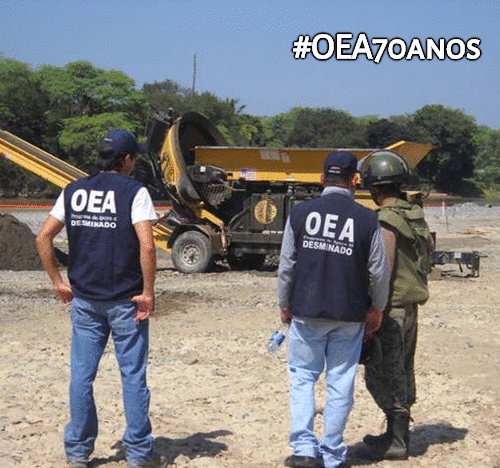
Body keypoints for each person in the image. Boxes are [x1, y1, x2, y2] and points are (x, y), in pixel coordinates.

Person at [36, 129, 161, 468]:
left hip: (85, 300)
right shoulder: (135, 192)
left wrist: (58, 283)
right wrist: (148, 292)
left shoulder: (74, 190)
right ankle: (138, 453)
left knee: (82, 376)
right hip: (126, 300)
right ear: (127, 160)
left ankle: (78, 450)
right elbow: (147, 245)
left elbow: (44, 237)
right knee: (132, 377)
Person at [277, 151, 391, 468]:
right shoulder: (368, 219)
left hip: (306, 311)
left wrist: (284, 304)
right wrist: (377, 308)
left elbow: (286, 266)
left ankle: (304, 450)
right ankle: (332, 453)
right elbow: (378, 272)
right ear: (354, 180)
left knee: (302, 378)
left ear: (321, 178)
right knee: (340, 382)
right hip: (349, 315)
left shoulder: (300, 213)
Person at [359, 150, 433, 461]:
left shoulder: (386, 220)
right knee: (403, 369)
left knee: (382, 372)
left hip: (392, 310)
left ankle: (398, 440)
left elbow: (382, 269)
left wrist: (373, 309)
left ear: (374, 188)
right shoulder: (414, 214)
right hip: (410, 306)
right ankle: (396, 433)